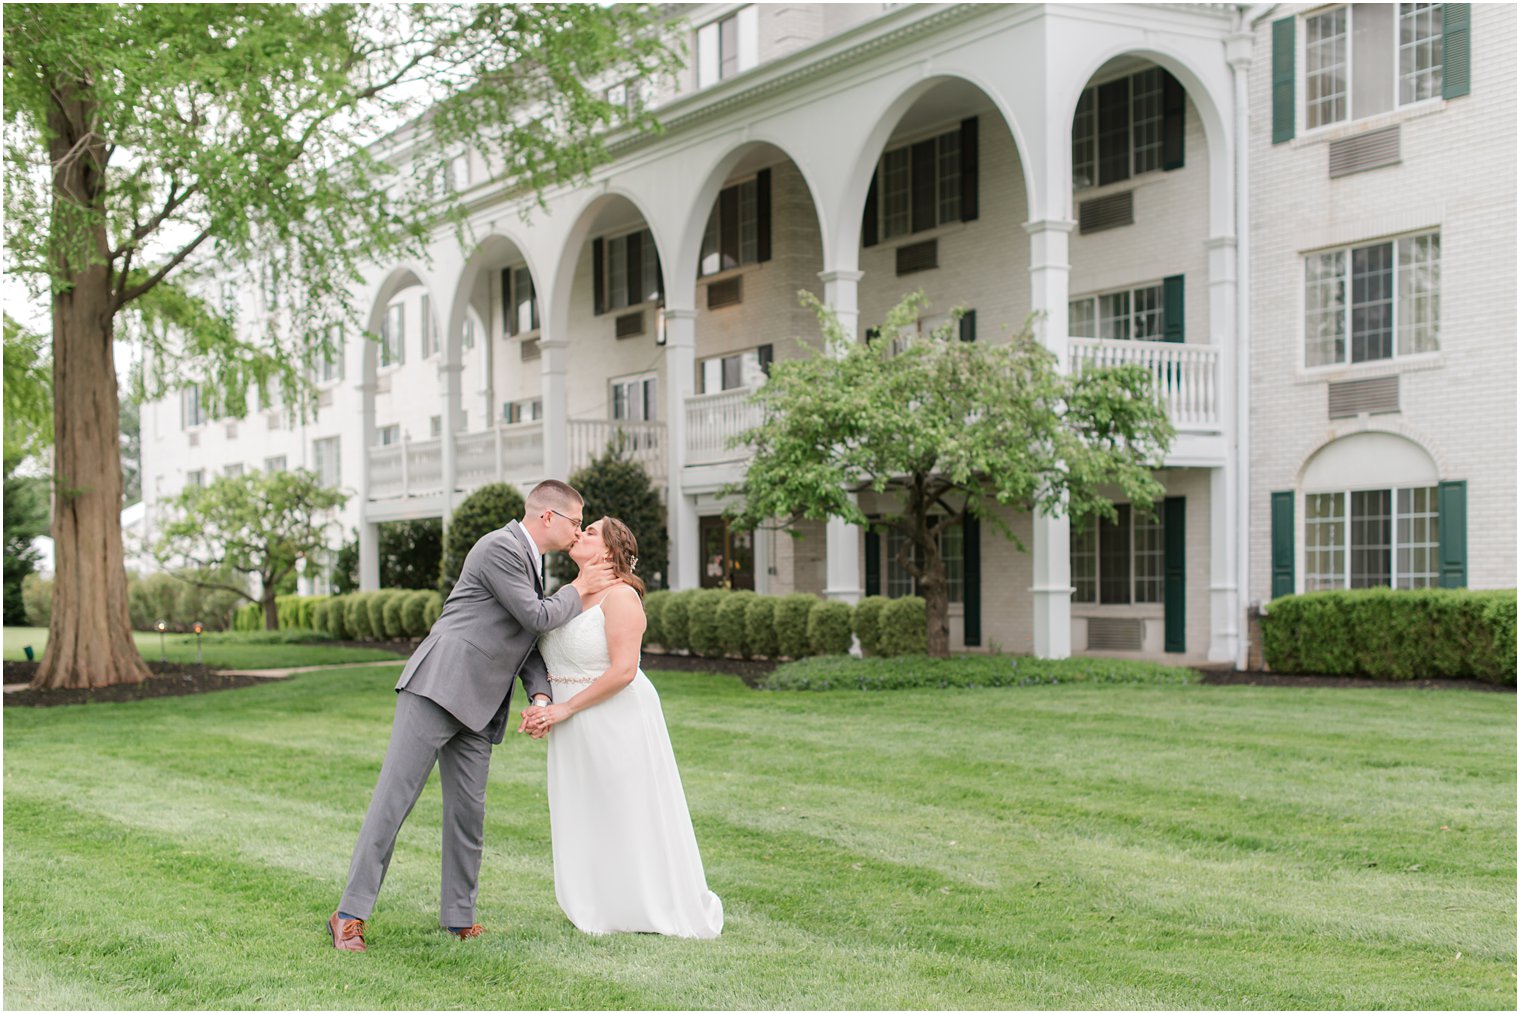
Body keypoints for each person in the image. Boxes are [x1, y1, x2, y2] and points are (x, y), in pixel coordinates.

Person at [328, 480, 616, 952]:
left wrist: (541, 696)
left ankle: (458, 917)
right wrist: (581, 588)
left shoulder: (533, 562)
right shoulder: (499, 547)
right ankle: (349, 914)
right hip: (438, 688)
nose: (578, 530)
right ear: (548, 517)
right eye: (575, 522)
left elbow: (523, 639)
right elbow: (537, 617)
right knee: (393, 803)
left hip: (481, 708)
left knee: (469, 815)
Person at [522, 517, 723, 939]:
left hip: (616, 716)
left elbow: (624, 671)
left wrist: (565, 709)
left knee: (626, 809)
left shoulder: (621, 598)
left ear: (611, 551)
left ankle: (646, 903)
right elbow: (540, 656)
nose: (579, 533)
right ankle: (599, 903)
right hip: (571, 719)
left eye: (590, 531)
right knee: (584, 808)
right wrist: (543, 704)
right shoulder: (566, 595)